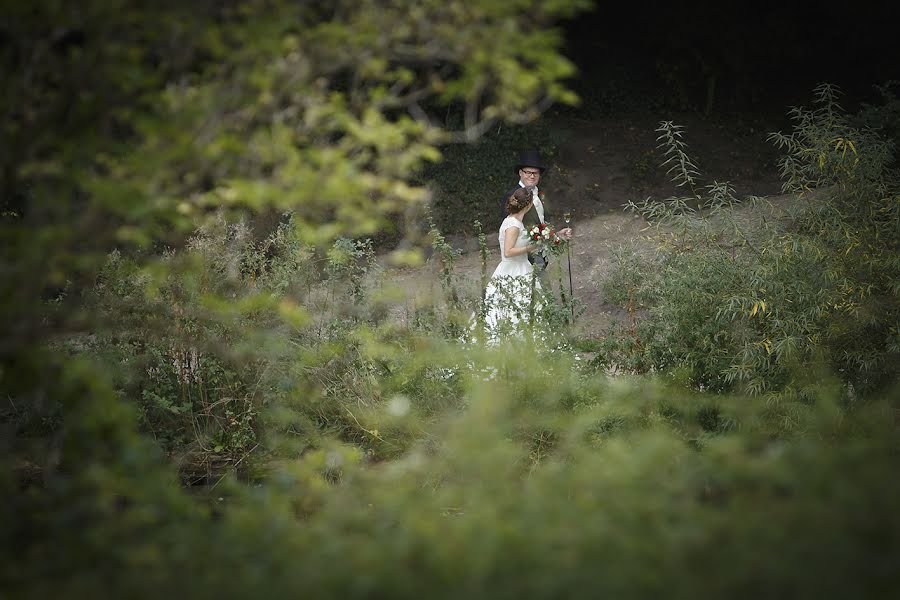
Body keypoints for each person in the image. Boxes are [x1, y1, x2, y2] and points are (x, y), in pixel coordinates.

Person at [479, 186, 542, 339]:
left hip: (523, 266)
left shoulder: (517, 222)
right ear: (528, 204)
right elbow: (508, 251)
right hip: (513, 270)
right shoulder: (513, 225)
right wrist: (530, 247)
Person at [499, 150, 572, 275]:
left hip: (540, 254)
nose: (532, 176)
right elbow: (510, 229)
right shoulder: (513, 196)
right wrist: (529, 248)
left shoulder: (540, 193)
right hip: (523, 260)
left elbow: (542, 224)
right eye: (528, 172)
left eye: (536, 173)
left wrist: (557, 235)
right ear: (520, 173)